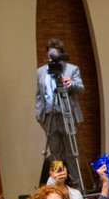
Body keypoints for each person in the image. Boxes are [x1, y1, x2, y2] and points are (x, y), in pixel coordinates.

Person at [34, 38, 84, 185]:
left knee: (72, 153)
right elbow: (39, 95)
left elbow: (81, 88)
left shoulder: (71, 69)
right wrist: (39, 115)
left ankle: (77, 185)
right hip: (50, 117)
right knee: (56, 154)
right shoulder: (41, 72)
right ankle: (59, 185)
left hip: (67, 115)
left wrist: (71, 83)